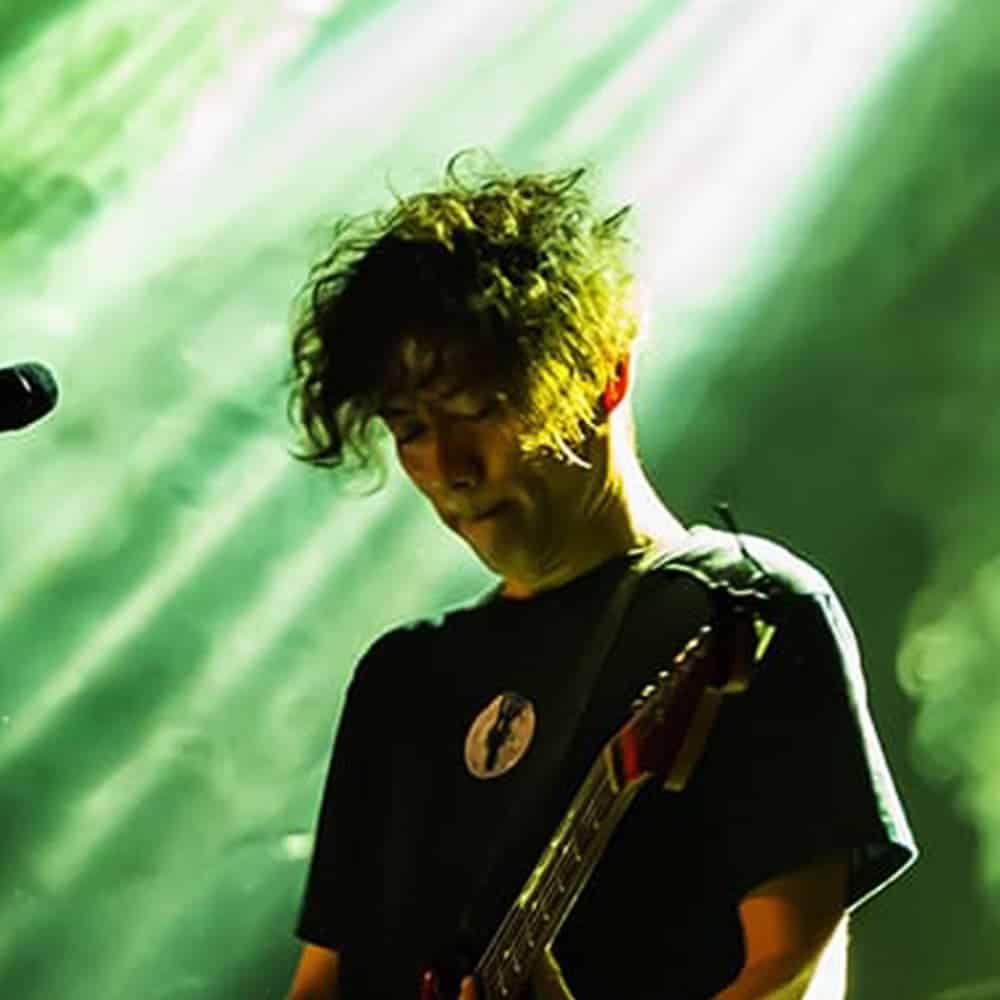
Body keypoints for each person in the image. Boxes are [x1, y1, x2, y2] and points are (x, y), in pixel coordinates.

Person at [281, 150, 917, 1000]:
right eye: (410, 430)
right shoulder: (402, 679)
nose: (449, 467)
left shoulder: (743, 609)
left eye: (478, 410)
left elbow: (794, 977)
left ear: (603, 373)